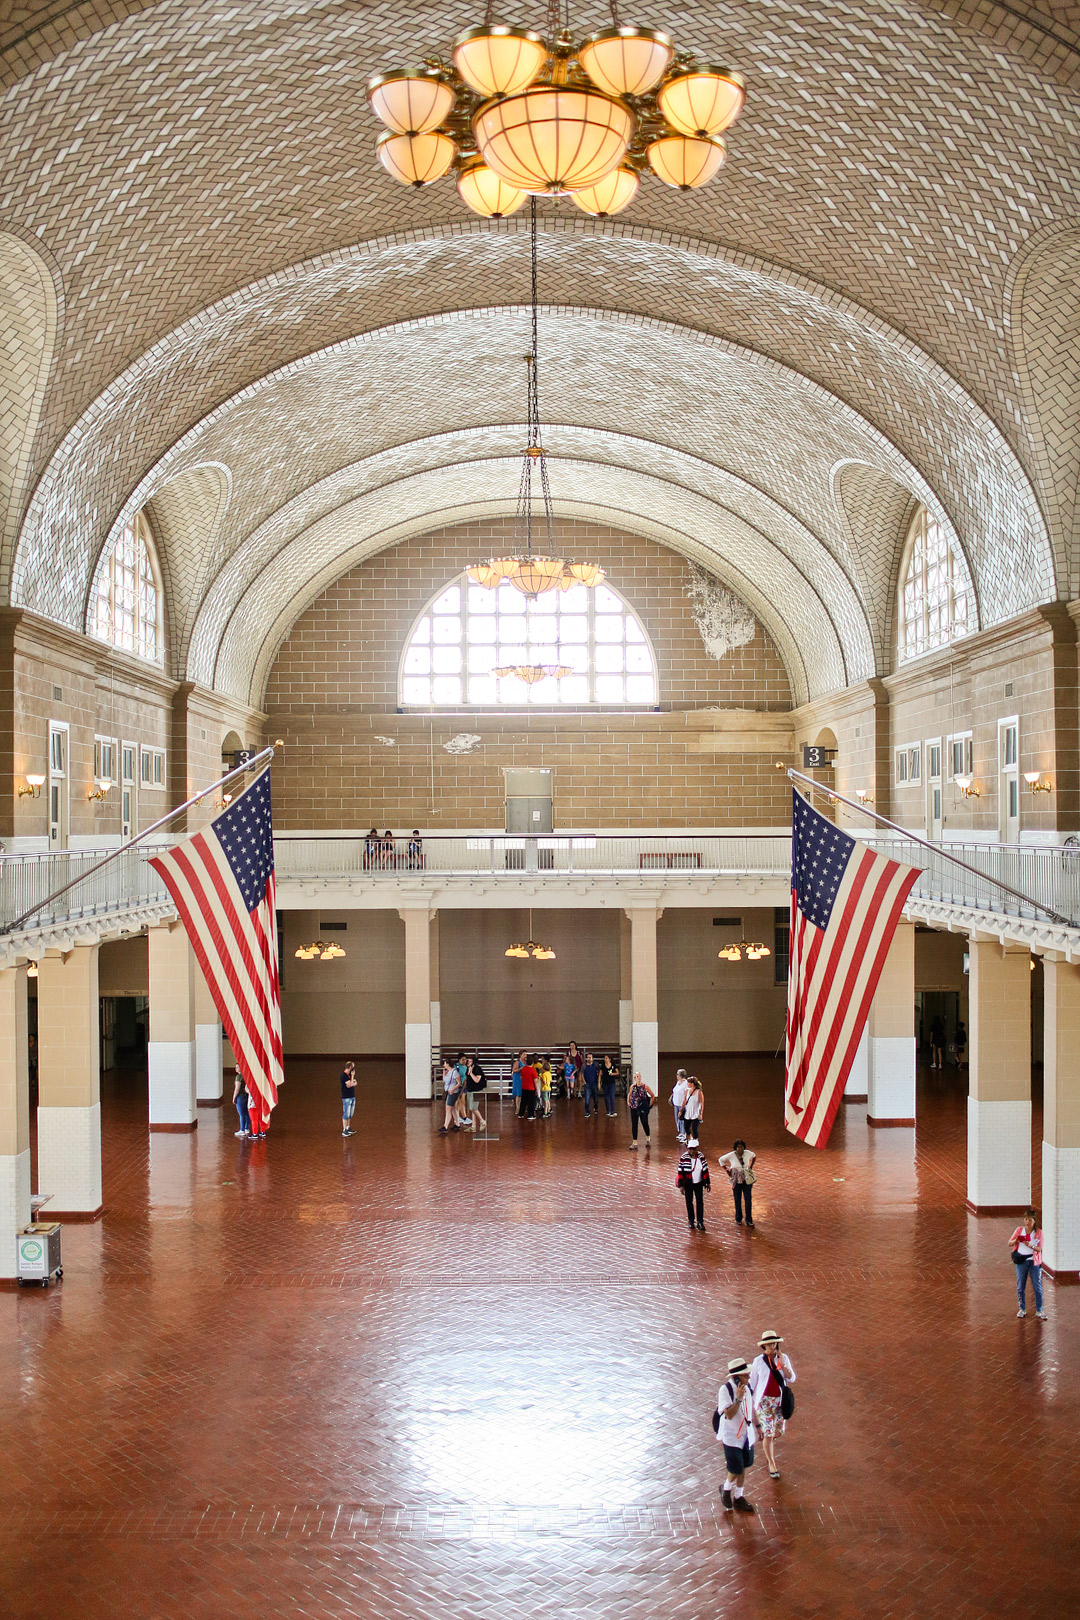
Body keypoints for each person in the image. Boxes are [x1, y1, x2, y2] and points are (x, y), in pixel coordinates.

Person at [750, 1330, 796, 1480]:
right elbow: (753, 1382)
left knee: (777, 1432)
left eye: (773, 1343)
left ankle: (767, 1444)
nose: (771, 1346)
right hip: (764, 1402)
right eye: (768, 1344)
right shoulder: (758, 1361)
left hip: (779, 1401)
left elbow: (792, 1378)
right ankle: (771, 1463)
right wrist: (749, 1400)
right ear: (764, 1346)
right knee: (768, 1433)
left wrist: (783, 1366)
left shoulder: (783, 1358)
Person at [717, 1357, 757, 1513]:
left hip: (747, 1435)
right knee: (735, 1468)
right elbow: (729, 1414)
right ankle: (726, 1489)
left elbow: (751, 1408)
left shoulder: (747, 1388)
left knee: (744, 1465)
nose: (749, 1377)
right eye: (745, 1375)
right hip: (732, 1437)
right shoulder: (725, 1390)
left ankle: (739, 1496)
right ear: (736, 1377)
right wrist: (738, 1398)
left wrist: (758, 1425)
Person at [1010, 1208, 1047, 1319]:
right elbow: (1009, 1243)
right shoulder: (1019, 1230)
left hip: (1034, 1262)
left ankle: (1039, 1310)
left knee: (1037, 1287)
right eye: (1026, 1219)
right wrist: (1016, 1240)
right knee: (1021, 1286)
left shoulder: (1039, 1233)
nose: (1027, 1222)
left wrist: (1029, 1245)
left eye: (1030, 1220)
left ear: (1034, 1221)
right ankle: (1022, 1308)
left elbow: (1039, 1248)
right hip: (1021, 1262)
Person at [718, 1140, 757, 1226]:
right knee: (737, 1199)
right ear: (735, 1148)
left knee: (748, 1199)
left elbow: (754, 1156)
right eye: (738, 1147)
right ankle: (738, 1218)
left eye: (742, 1147)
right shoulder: (731, 1155)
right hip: (736, 1179)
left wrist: (750, 1167)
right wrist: (727, 1170)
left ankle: (749, 1219)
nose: (740, 1149)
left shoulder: (748, 1153)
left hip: (746, 1178)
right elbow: (720, 1160)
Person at [677, 1141, 710, 1231]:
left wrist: (707, 1183)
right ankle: (691, 1221)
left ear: (697, 1148)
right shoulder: (684, 1158)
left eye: (694, 1149)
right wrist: (681, 1186)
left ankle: (700, 1221)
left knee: (700, 1202)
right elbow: (680, 1172)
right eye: (690, 1149)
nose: (692, 1151)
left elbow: (705, 1169)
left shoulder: (701, 1157)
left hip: (699, 1183)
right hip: (688, 1184)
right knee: (689, 1202)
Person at [627, 1071, 655, 1148]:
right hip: (634, 1107)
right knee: (634, 1124)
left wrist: (649, 1105)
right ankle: (635, 1142)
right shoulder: (632, 1086)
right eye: (637, 1077)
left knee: (644, 1122)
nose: (639, 1078)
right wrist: (628, 1101)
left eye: (639, 1076)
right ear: (635, 1078)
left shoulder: (645, 1087)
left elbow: (652, 1096)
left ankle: (648, 1136)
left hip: (642, 1107)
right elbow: (629, 1094)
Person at [438, 1059, 462, 1133]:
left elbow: (459, 1083)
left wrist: (452, 1089)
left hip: (453, 1093)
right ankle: (457, 1124)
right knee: (453, 1108)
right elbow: (444, 1081)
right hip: (448, 1091)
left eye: (445, 1063)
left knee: (448, 1109)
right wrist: (444, 1074)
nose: (444, 1065)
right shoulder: (447, 1072)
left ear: (448, 1064)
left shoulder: (454, 1072)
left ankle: (445, 1126)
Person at [464, 1054, 486, 1132]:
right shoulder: (468, 1068)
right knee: (471, 1108)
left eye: (469, 1061)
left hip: (476, 1091)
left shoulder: (477, 1069)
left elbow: (477, 1080)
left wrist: (471, 1073)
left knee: (474, 1108)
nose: (468, 1062)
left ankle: (482, 1121)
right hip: (470, 1090)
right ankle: (473, 1126)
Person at [682, 1076, 703, 1144]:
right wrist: (681, 1109)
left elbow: (701, 1103)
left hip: (695, 1113)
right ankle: (689, 1138)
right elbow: (684, 1100)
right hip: (687, 1113)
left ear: (692, 1083)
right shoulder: (687, 1091)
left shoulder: (699, 1092)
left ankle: (695, 1140)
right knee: (686, 1127)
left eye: (688, 1082)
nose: (687, 1084)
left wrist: (700, 1113)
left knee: (694, 1128)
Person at [670, 1068, 689, 1142]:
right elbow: (675, 1090)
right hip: (676, 1103)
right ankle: (681, 1132)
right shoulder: (678, 1082)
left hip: (681, 1104)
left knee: (682, 1119)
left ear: (681, 1075)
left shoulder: (686, 1083)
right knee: (677, 1119)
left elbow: (686, 1093)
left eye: (677, 1074)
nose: (676, 1075)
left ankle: (684, 1134)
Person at [340, 1059, 357, 1137]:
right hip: (346, 1097)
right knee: (346, 1114)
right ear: (350, 1067)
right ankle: (344, 1130)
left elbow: (354, 1083)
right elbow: (350, 1084)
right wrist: (352, 1078)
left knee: (350, 1113)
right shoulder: (344, 1076)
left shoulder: (348, 1076)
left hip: (352, 1096)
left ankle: (348, 1127)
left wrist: (352, 1082)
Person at [519, 1052, 539, 1119]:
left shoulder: (523, 1069)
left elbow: (521, 1077)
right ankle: (530, 1115)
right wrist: (536, 1089)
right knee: (531, 1102)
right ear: (532, 1062)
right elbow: (535, 1081)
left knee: (523, 1101)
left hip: (524, 1087)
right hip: (531, 1088)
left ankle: (521, 1114)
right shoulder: (533, 1070)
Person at [232, 1072, 252, 1138]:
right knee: (247, 1113)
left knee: (241, 1114)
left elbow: (237, 1089)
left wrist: (234, 1097)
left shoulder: (239, 1077)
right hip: (246, 1096)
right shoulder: (247, 1075)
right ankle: (246, 1128)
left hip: (240, 1097)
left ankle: (242, 1129)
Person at [600, 1053, 619, 1117]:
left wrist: (613, 1074)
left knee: (612, 1096)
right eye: (604, 1058)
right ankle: (608, 1110)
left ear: (609, 1059)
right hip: (605, 1083)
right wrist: (599, 1081)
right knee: (606, 1097)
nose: (605, 1059)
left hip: (612, 1083)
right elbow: (601, 1073)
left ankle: (612, 1111)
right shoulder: (603, 1065)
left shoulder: (613, 1065)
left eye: (606, 1058)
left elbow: (617, 1072)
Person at [582, 1051, 600, 1118]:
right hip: (587, 1084)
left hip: (594, 1083)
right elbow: (582, 1074)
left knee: (595, 1098)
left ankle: (596, 1107)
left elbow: (600, 1072)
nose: (589, 1059)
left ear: (593, 1058)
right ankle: (587, 1111)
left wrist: (599, 1080)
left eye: (590, 1057)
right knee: (587, 1098)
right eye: (588, 1058)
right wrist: (584, 1082)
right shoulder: (584, 1066)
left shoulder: (596, 1065)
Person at [511, 1052, 523, 1117]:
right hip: (518, 1079)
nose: (525, 1056)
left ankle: (522, 1107)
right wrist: (520, 1069)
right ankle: (517, 1108)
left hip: (523, 1079)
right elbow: (514, 1070)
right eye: (524, 1054)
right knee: (518, 1094)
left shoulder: (526, 1062)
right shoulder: (517, 1062)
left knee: (522, 1094)